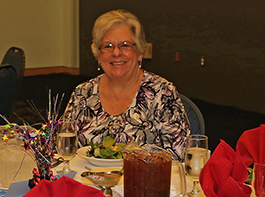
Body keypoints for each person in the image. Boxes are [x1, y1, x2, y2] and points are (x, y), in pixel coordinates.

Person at [63, 9, 190, 159]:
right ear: (98, 55)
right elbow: (64, 148)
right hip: (86, 180)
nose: (116, 53)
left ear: (140, 52)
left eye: (125, 45)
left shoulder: (162, 93)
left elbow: (179, 158)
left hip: (145, 181)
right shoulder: (82, 93)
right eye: (107, 46)